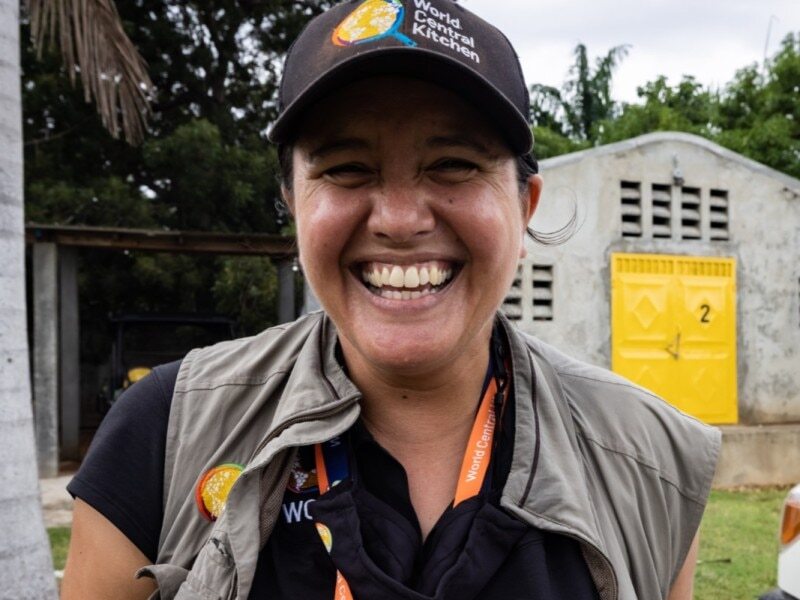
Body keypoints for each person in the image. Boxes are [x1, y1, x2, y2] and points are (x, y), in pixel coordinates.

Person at [62, 1, 720, 598]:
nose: (400, 219)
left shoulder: (649, 459)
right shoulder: (164, 432)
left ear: (524, 207)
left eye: (455, 163)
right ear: (293, 202)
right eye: (347, 167)